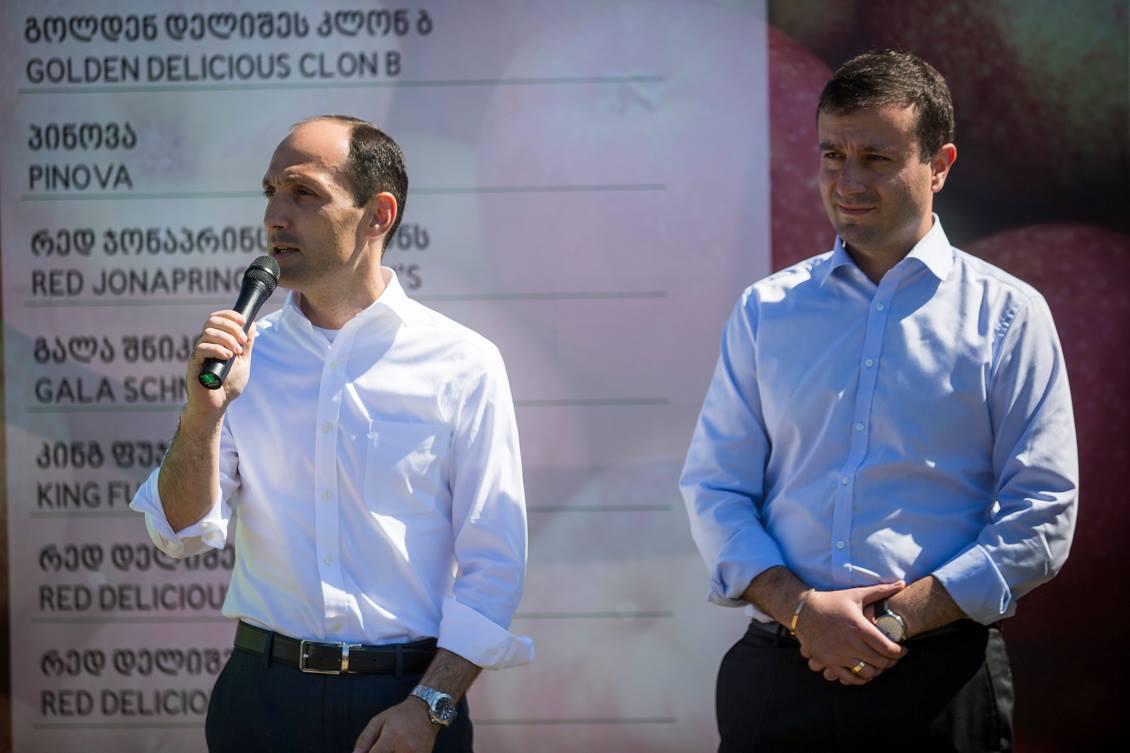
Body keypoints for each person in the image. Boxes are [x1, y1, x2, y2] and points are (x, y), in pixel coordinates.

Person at [680, 50, 1077, 752]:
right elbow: (715, 489)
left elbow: (1042, 512)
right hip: (780, 669)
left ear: (940, 164)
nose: (848, 181)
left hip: (940, 678)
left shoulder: (1009, 315)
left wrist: (892, 622)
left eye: (876, 158)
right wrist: (804, 613)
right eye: (833, 155)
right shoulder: (765, 310)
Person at [131, 115, 531, 753]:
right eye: (270, 193)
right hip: (261, 697)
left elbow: (495, 564)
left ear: (378, 215)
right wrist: (203, 415)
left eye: (303, 194)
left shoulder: (464, 363)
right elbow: (178, 533)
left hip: (405, 701)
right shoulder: (245, 358)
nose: (274, 217)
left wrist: (429, 707)